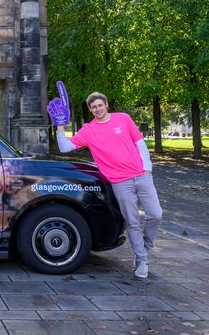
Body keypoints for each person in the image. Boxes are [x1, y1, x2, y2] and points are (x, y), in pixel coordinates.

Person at [50, 85, 162, 279]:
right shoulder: (88, 129)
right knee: (132, 221)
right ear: (91, 110)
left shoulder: (123, 119)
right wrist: (60, 125)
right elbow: (65, 147)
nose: (98, 109)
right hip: (119, 181)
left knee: (156, 214)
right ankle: (141, 259)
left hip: (141, 175)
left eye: (100, 105)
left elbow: (139, 142)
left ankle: (145, 246)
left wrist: (147, 167)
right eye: (94, 107)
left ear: (106, 105)